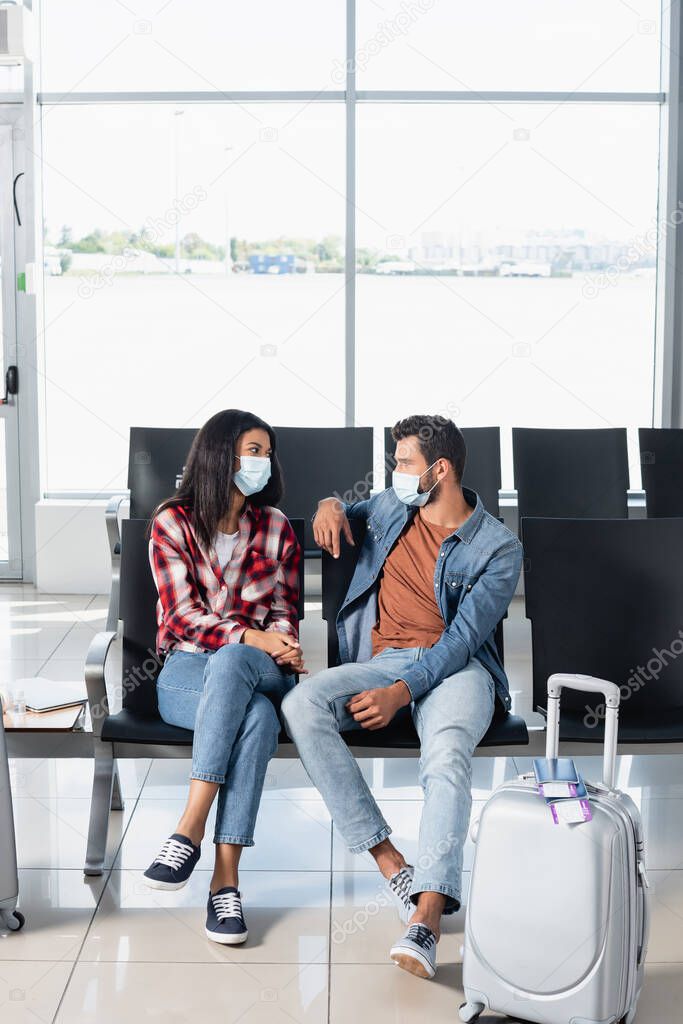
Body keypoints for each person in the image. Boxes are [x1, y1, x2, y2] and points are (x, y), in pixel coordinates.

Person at [282, 415, 522, 979]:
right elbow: (343, 512)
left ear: (439, 471)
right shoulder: (393, 508)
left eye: (404, 463)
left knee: (445, 758)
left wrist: (401, 693)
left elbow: (463, 640)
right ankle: (394, 866)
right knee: (301, 703)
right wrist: (327, 503)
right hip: (384, 661)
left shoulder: (499, 547)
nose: (395, 474)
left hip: (459, 672)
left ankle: (428, 918)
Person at [142, 409, 304, 946]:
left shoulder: (277, 527)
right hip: (187, 668)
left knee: (237, 663)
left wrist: (277, 644)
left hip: (262, 668)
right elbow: (182, 616)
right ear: (219, 455)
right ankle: (225, 880)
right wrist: (250, 635)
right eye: (251, 451)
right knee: (254, 718)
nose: (262, 462)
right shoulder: (172, 522)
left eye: (266, 452)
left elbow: (285, 614)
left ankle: (189, 825)